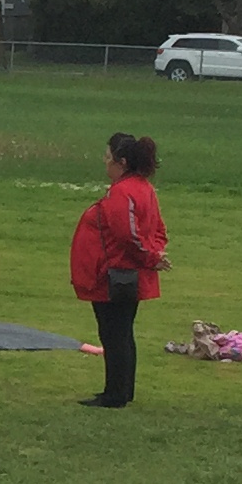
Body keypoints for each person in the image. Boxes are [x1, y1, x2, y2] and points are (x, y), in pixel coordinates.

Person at [68, 132, 168, 408]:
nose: (105, 161)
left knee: (113, 334)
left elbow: (128, 235)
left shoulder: (123, 192)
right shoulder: (143, 188)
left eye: (108, 156)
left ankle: (115, 394)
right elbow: (157, 230)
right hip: (124, 274)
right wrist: (155, 254)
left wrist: (149, 257)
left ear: (121, 162)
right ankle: (123, 390)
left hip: (115, 276)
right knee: (122, 333)